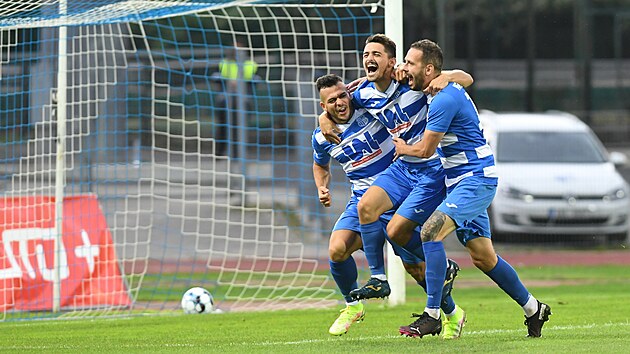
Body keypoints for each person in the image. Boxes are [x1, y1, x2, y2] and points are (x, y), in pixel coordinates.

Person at [392, 39, 552, 338]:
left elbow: (426, 150)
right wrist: (446, 75)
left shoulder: (443, 100)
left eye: (410, 63)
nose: (404, 67)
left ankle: (432, 315)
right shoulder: (438, 86)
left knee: (429, 232)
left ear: (428, 69)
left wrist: (404, 148)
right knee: (483, 258)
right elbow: (463, 76)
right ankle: (534, 308)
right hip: (459, 181)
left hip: (475, 179)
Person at [319, 34, 473, 338]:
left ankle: (452, 313)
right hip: (394, 178)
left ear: (393, 62)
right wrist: (323, 116)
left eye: (376, 54)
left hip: (425, 173)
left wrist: (450, 75)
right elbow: (336, 99)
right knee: (351, 228)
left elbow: (464, 78)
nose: (368, 59)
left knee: (418, 268)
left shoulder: (413, 84)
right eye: (365, 54)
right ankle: (374, 281)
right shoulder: (360, 93)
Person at [213, 42, 258, 156]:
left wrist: (239, 82)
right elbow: (220, 76)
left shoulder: (250, 64)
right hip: (226, 98)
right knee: (223, 124)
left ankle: (238, 153)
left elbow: (252, 78)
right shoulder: (225, 63)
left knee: (241, 125)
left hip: (243, 98)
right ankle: (219, 152)